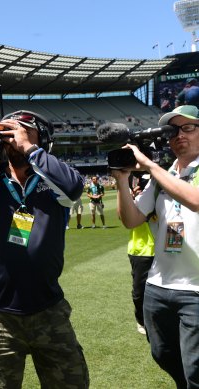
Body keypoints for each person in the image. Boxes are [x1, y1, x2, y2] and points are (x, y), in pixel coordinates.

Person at [0, 110, 89, 388]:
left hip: (48, 308)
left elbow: (74, 187)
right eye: (7, 133)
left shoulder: (53, 178)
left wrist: (30, 148)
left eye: (22, 131)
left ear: (41, 139)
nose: (13, 138)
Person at [112, 105, 199, 389]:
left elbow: (195, 200)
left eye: (188, 128)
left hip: (196, 290)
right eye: (173, 131)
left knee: (196, 368)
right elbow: (132, 219)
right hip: (159, 285)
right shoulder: (166, 175)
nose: (179, 136)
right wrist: (122, 180)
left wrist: (150, 166)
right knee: (162, 354)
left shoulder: (162, 174)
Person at [125, 174, 155, 335]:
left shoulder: (160, 197)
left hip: (162, 249)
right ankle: (141, 320)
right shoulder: (136, 201)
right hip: (140, 250)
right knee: (139, 292)